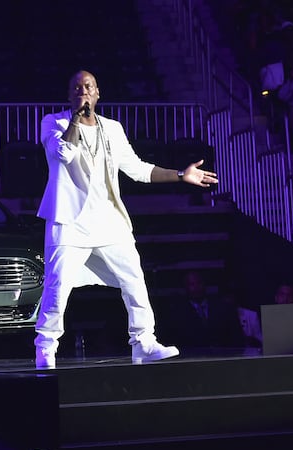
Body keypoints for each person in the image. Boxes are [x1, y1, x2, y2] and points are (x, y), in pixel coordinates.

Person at [34, 70, 218, 368]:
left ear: (97, 93)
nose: (83, 91)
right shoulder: (52, 123)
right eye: (77, 87)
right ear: (70, 96)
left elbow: (137, 169)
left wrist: (181, 175)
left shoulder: (113, 128)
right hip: (69, 221)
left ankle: (143, 341)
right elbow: (63, 154)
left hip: (109, 219)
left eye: (88, 87)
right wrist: (77, 120)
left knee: (133, 278)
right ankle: (45, 346)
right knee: (58, 285)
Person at [162, 270, 245, 350]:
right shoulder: (178, 314)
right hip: (192, 359)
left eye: (199, 283)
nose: (197, 287)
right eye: (192, 284)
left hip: (223, 358)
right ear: (186, 288)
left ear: (205, 284)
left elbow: (236, 337)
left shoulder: (223, 308)